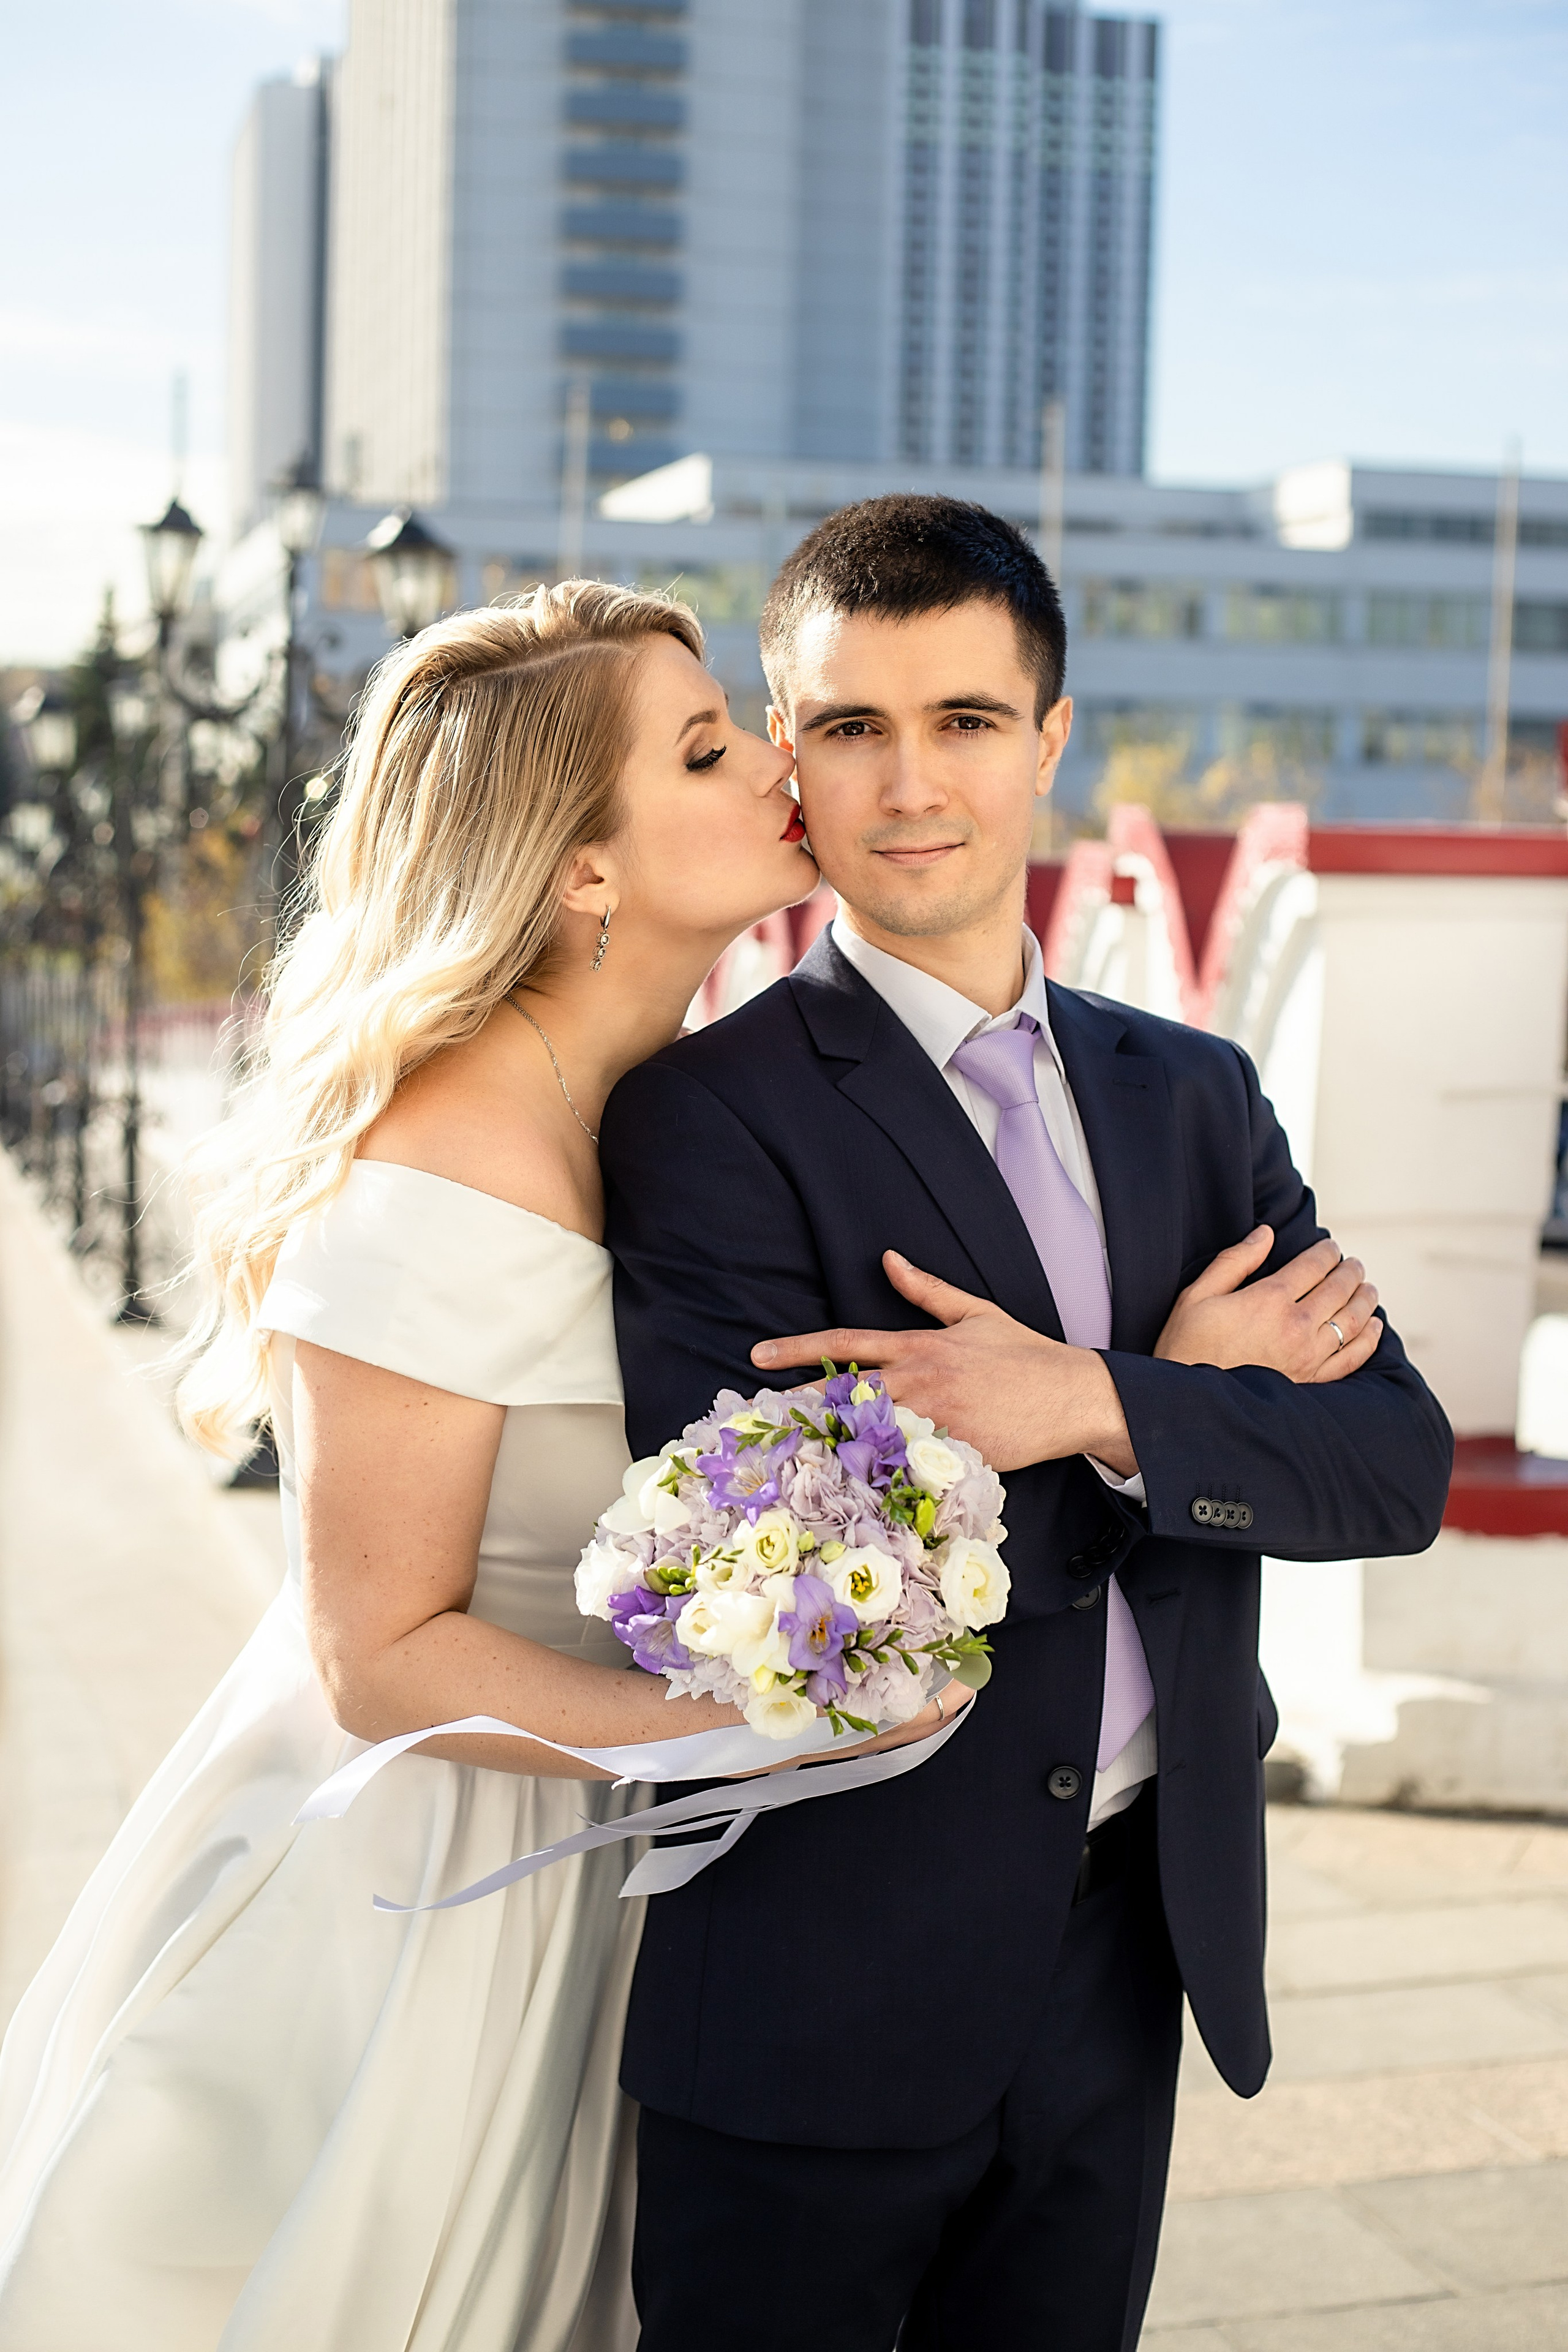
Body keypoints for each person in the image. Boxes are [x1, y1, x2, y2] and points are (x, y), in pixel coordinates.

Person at [599, 497, 1454, 2352]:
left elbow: (1393, 1469)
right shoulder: (704, 1119)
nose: (913, 784)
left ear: (1050, 741)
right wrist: (1200, 1402)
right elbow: (802, 1586)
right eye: (852, 726)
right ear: (788, 759)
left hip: (1123, 1958)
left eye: (966, 721)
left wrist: (1087, 1396)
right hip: (824, 1983)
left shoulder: (1198, 1098)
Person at [0, 583, 882, 2351]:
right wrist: (778, 1719)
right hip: (423, 1888)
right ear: (581, 872)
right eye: (707, 747)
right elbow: (376, 1651)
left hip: (584, 1842)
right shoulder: (448, 1153)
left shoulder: (661, 1107)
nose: (778, 757)